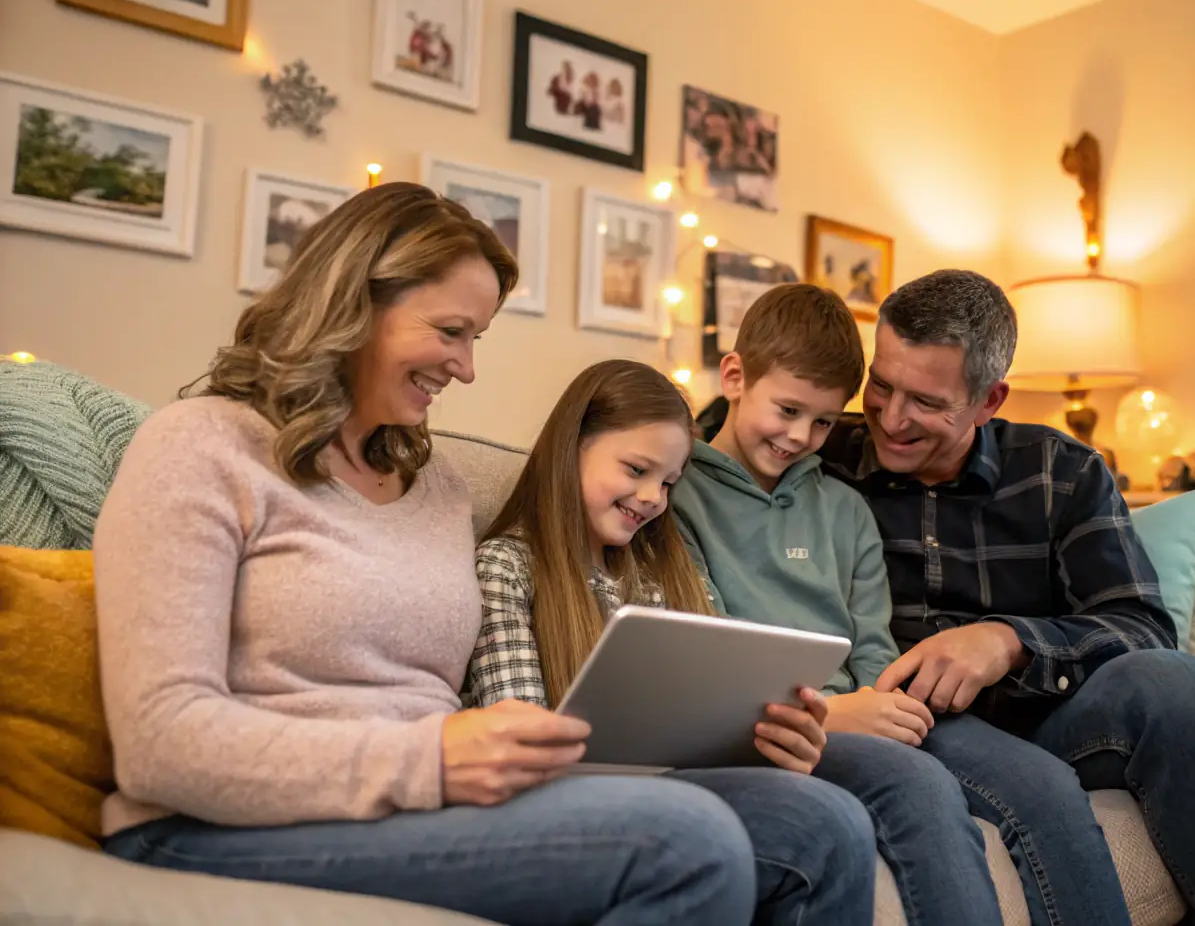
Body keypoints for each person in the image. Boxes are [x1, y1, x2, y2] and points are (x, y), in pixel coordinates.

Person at [95, 182, 786, 926]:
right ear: (355, 304)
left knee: (810, 824)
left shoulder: (436, 486)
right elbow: (158, 743)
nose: (465, 368)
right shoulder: (201, 445)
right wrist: (431, 761)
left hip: (432, 799)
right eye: (451, 330)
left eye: (476, 339)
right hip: (220, 825)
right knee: (686, 841)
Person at [817, 268, 1195, 926]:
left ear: (990, 400)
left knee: (1179, 684)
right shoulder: (820, 455)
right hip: (907, 724)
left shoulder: (1060, 470)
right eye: (881, 385)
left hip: (1050, 720)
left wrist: (1010, 641)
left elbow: (1138, 626)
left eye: (927, 402)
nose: (892, 417)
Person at [468, 357, 978, 926]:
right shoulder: (507, 567)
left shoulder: (656, 569)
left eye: (667, 482)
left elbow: (702, 719)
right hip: (573, 800)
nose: (652, 497)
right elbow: (511, 734)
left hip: (682, 780)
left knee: (833, 815)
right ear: (572, 449)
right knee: (823, 822)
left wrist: (784, 741)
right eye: (636, 469)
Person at [668, 283, 1002, 925]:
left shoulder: (845, 508)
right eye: (787, 410)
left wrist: (884, 703)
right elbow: (707, 650)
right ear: (734, 377)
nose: (800, 436)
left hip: (858, 714)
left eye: (823, 421)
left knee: (954, 769)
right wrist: (836, 715)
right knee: (920, 786)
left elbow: (872, 635)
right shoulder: (680, 494)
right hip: (770, 726)